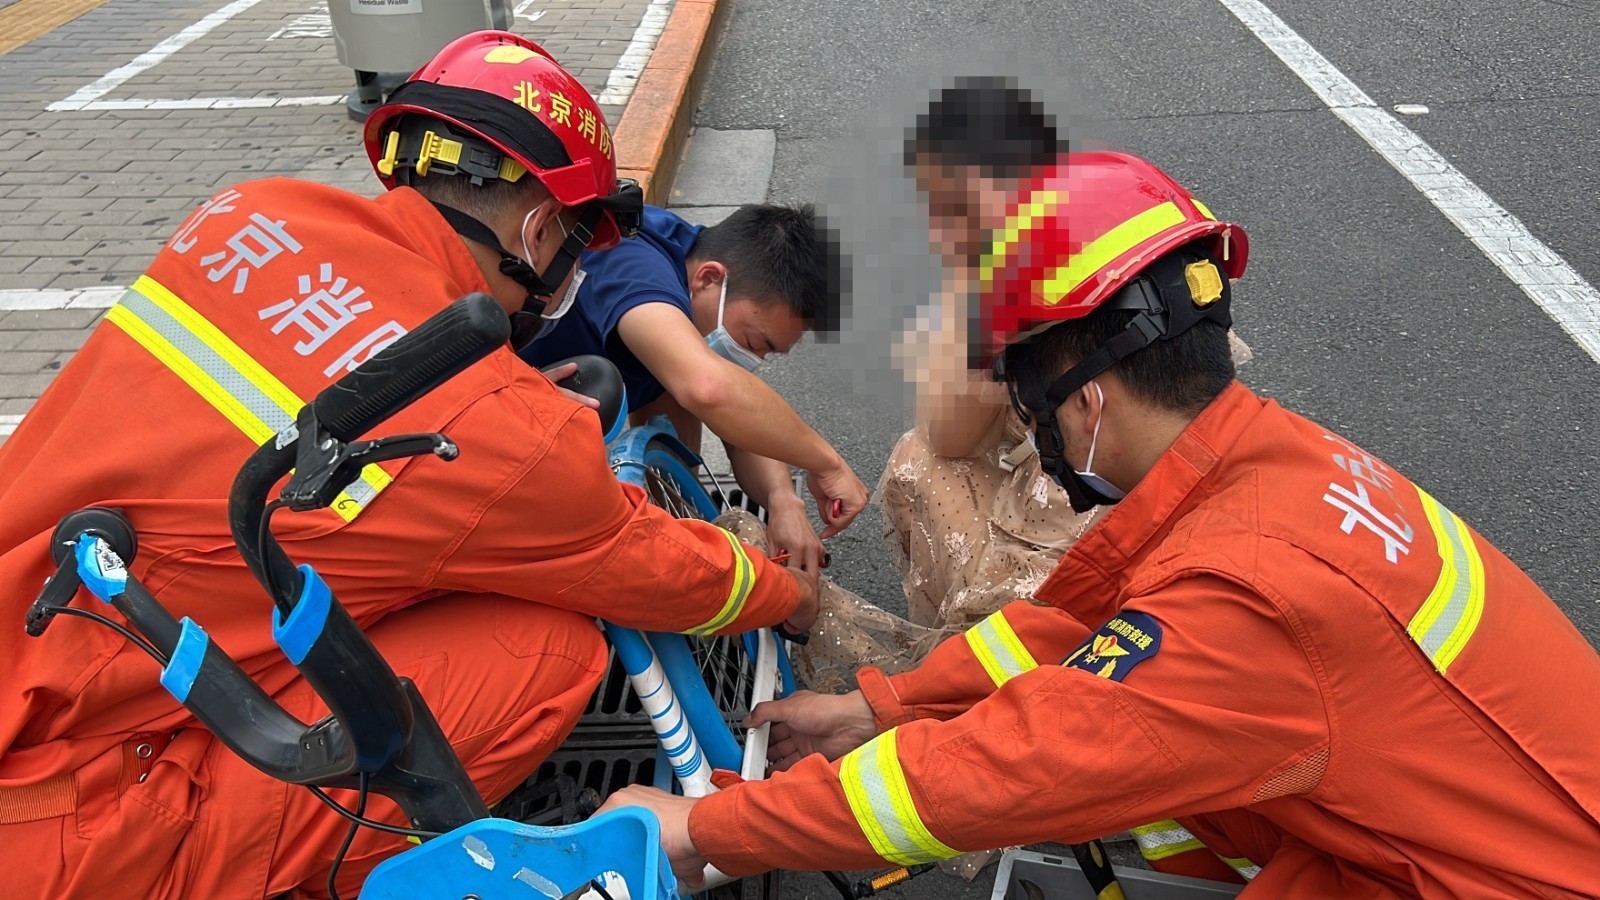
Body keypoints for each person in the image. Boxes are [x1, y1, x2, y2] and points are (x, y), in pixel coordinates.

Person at [602, 151, 1600, 898]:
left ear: (1089, 397)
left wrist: (705, 827)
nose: (1027, 429)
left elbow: (1002, 769)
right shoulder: (1261, 461)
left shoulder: (1252, 595)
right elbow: (1073, 630)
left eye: (1027, 399)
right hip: (1425, 836)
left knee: (1087, 785)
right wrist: (881, 709)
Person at [0, 32, 817, 899]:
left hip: (56, 658)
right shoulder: (490, 426)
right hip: (74, 815)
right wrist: (790, 595)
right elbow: (658, 572)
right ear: (541, 230)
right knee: (547, 646)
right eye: (575, 248)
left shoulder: (252, 213)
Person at [519, 202, 868, 571]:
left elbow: (740, 413)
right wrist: (827, 464)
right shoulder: (632, 262)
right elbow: (709, 388)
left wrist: (782, 498)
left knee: (687, 396)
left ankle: (677, 524)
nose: (755, 360)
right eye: (754, 344)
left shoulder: (699, 260)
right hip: (490, 428)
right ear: (708, 278)